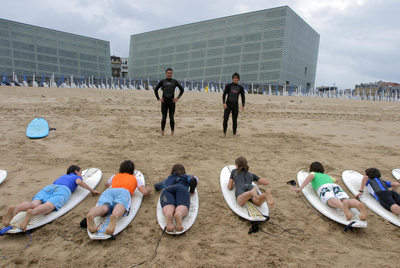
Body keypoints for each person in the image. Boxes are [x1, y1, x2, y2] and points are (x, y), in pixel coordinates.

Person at [2, 165, 99, 231]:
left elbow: (52, 184)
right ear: (75, 171)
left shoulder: (62, 176)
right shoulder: (75, 177)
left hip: (49, 188)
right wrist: (91, 190)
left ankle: (16, 208)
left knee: (34, 203)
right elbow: (79, 182)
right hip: (63, 190)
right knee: (49, 206)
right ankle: (33, 212)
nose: (81, 175)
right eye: (80, 173)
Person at [86, 160, 151, 235]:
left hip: (110, 191)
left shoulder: (115, 176)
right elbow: (144, 192)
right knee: (120, 205)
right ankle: (115, 216)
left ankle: (91, 214)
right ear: (132, 170)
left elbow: (106, 184)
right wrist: (148, 190)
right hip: (124, 192)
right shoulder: (135, 178)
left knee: (104, 206)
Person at [291, 162, 367, 221]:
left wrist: (300, 188)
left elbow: (311, 176)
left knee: (329, 199)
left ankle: (342, 206)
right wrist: (334, 178)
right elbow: (336, 180)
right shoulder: (327, 176)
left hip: (324, 187)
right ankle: (358, 205)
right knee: (345, 199)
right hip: (335, 186)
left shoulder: (313, 173)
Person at [157, 164, 198, 232]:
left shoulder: (168, 179)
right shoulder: (186, 176)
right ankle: (179, 214)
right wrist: (191, 191)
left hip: (167, 190)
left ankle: (168, 214)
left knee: (168, 205)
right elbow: (194, 179)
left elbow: (157, 186)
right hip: (181, 189)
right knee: (182, 205)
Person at [154, 68, 185, 136]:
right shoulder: (163, 81)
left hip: (172, 102)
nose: (170, 74)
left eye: (171, 73)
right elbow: (156, 89)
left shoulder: (174, 81)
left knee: (171, 117)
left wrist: (177, 98)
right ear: (166, 73)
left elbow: (182, 89)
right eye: (168, 73)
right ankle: (162, 131)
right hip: (164, 102)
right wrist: (158, 98)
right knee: (164, 117)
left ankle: (172, 132)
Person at [222, 73, 245, 137]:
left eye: (236, 78)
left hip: (235, 105)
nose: (235, 79)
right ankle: (224, 132)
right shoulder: (229, 86)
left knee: (234, 120)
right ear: (232, 79)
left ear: (238, 79)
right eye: (234, 78)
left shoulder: (240, 87)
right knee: (225, 119)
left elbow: (243, 96)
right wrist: (224, 103)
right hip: (228, 104)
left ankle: (234, 133)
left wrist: (243, 105)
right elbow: (224, 94)